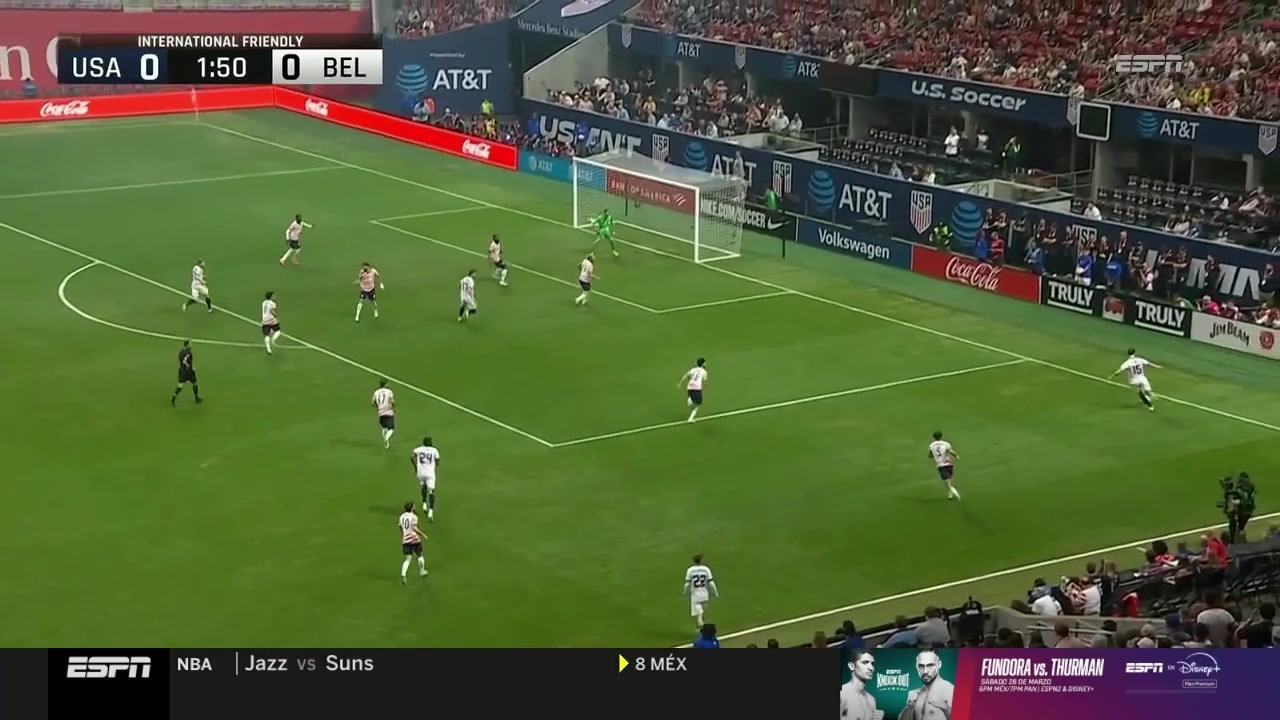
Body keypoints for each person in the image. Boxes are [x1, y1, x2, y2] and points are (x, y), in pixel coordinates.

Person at [899, 650, 953, 720]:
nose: (925, 671)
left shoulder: (949, 690)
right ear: (916, 666)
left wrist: (945, 707)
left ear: (939, 664)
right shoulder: (916, 693)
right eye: (921, 666)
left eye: (930, 665)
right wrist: (909, 706)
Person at [840, 650, 880, 720]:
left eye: (872, 664)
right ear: (852, 666)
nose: (871, 668)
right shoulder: (842, 694)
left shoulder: (871, 700)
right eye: (865, 662)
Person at [171, 340, 202, 406]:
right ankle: (196, 397)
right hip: (189, 372)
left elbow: (181, 360)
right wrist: (190, 367)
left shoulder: (181, 351)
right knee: (195, 383)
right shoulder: (188, 353)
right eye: (190, 344)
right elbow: (185, 361)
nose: (191, 345)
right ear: (187, 345)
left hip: (182, 371)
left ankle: (174, 397)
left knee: (180, 385)